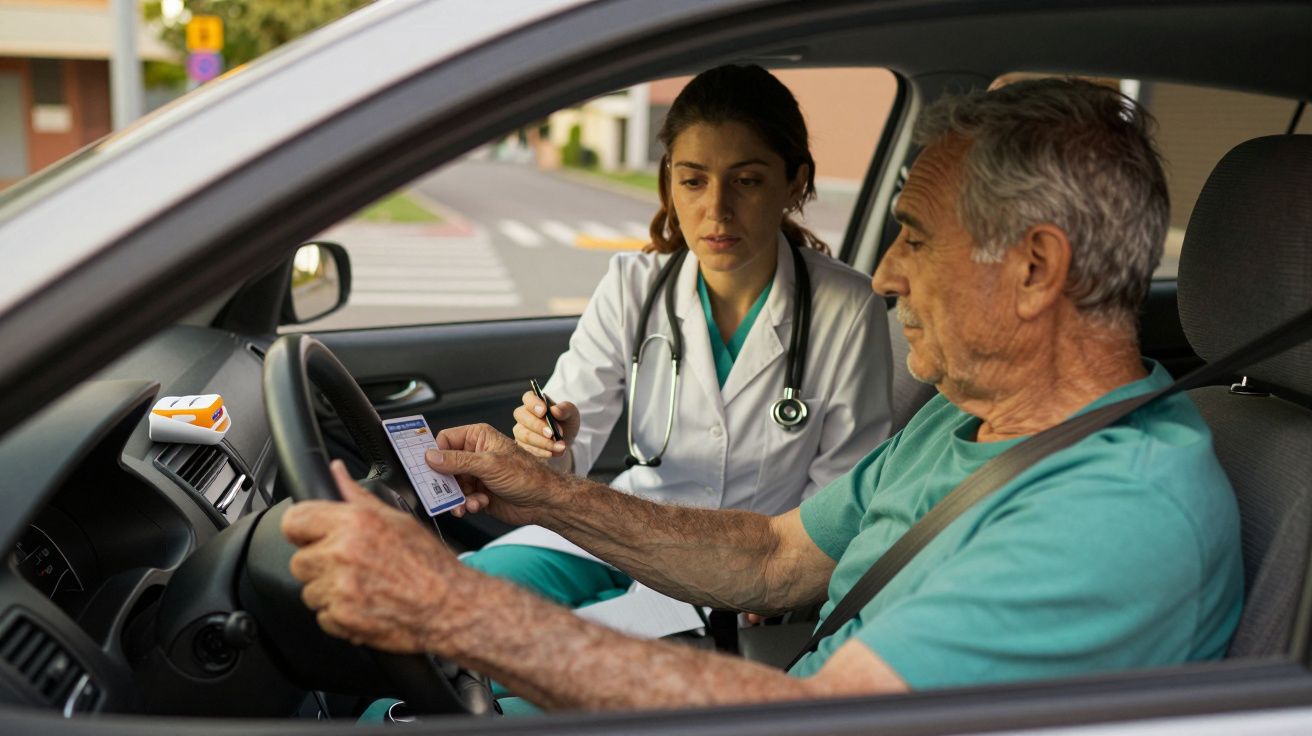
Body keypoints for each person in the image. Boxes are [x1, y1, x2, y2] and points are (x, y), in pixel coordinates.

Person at [282, 78, 1242, 712]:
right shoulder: (968, 420)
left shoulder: (1115, 512)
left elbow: (822, 719)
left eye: (913, 236)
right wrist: (546, 491)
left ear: (1034, 269)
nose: (888, 277)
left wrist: (449, 605)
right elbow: (780, 553)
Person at [462, 64, 892, 609]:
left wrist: (784, 590)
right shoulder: (630, 285)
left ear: (795, 182)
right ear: (670, 179)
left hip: (739, 572)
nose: (716, 209)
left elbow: (840, 498)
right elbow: (564, 453)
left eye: (747, 180)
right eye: (694, 180)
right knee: (450, 599)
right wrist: (551, 439)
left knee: (518, 667)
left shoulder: (848, 307)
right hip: (612, 537)